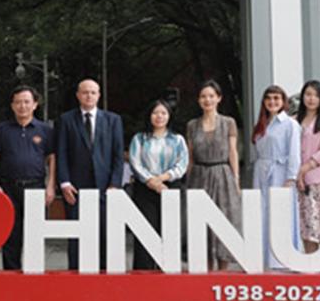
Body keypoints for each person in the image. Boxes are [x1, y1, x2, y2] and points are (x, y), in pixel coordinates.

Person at [55, 78, 124, 271]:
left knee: (104, 234)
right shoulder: (66, 120)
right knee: (76, 236)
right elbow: (61, 153)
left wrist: (115, 184)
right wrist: (64, 182)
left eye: (93, 92)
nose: (89, 96)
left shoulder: (113, 120)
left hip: (105, 187)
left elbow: (118, 155)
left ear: (99, 95)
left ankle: (103, 275)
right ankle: (75, 276)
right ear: (78, 95)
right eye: (85, 92)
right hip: (75, 188)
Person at [0, 86, 55, 270]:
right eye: (18, 102)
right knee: (10, 234)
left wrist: (50, 186)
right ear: (12, 105)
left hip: (36, 188)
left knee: (35, 234)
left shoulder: (45, 130)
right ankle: (11, 274)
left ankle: (34, 273)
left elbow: (52, 158)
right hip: (8, 188)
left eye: (26, 102)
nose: (22, 106)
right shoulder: (3, 129)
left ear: (35, 104)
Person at [185, 80, 241, 271]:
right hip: (198, 175)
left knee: (224, 219)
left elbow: (233, 152)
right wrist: (188, 179)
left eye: (211, 96)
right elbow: (190, 155)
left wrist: (236, 179)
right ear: (198, 100)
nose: (207, 100)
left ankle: (223, 270)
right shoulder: (192, 125)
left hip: (222, 173)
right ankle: (206, 269)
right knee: (201, 223)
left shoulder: (228, 123)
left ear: (219, 98)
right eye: (203, 96)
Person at [129, 99, 189, 271]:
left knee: (170, 232)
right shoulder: (139, 139)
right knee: (145, 232)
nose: (159, 116)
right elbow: (135, 163)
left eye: (163, 113)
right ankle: (143, 273)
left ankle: (167, 272)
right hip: (145, 189)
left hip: (170, 187)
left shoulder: (177, 140)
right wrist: (152, 182)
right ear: (149, 116)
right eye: (155, 113)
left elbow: (182, 164)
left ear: (169, 116)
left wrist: (162, 178)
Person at [251, 84, 301, 269]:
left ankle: (281, 259)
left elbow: (294, 152)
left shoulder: (290, 124)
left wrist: (291, 177)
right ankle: (263, 257)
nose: (272, 102)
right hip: (262, 173)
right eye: (268, 98)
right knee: (262, 214)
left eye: (276, 98)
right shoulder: (262, 124)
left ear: (283, 101)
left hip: (280, 173)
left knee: (281, 214)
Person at [294, 80, 320, 254]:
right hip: (298, 181)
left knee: (318, 226)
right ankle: (309, 261)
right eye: (308, 94)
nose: (311, 99)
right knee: (304, 226)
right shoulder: (294, 120)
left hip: (319, 179)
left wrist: (306, 167)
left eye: (316, 95)